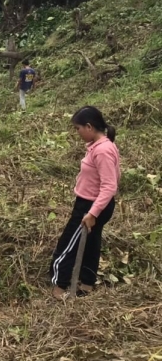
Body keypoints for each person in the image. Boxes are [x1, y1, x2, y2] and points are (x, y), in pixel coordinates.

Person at [50, 107, 120, 299]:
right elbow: (114, 176)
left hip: (91, 206)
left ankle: (59, 287)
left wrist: (92, 213)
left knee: (68, 244)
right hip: (94, 203)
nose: (77, 132)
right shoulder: (101, 146)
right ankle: (87, 283)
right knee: (91, 242)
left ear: (89, 127)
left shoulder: (103, 150)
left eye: (78, 128)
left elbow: (110, 185)